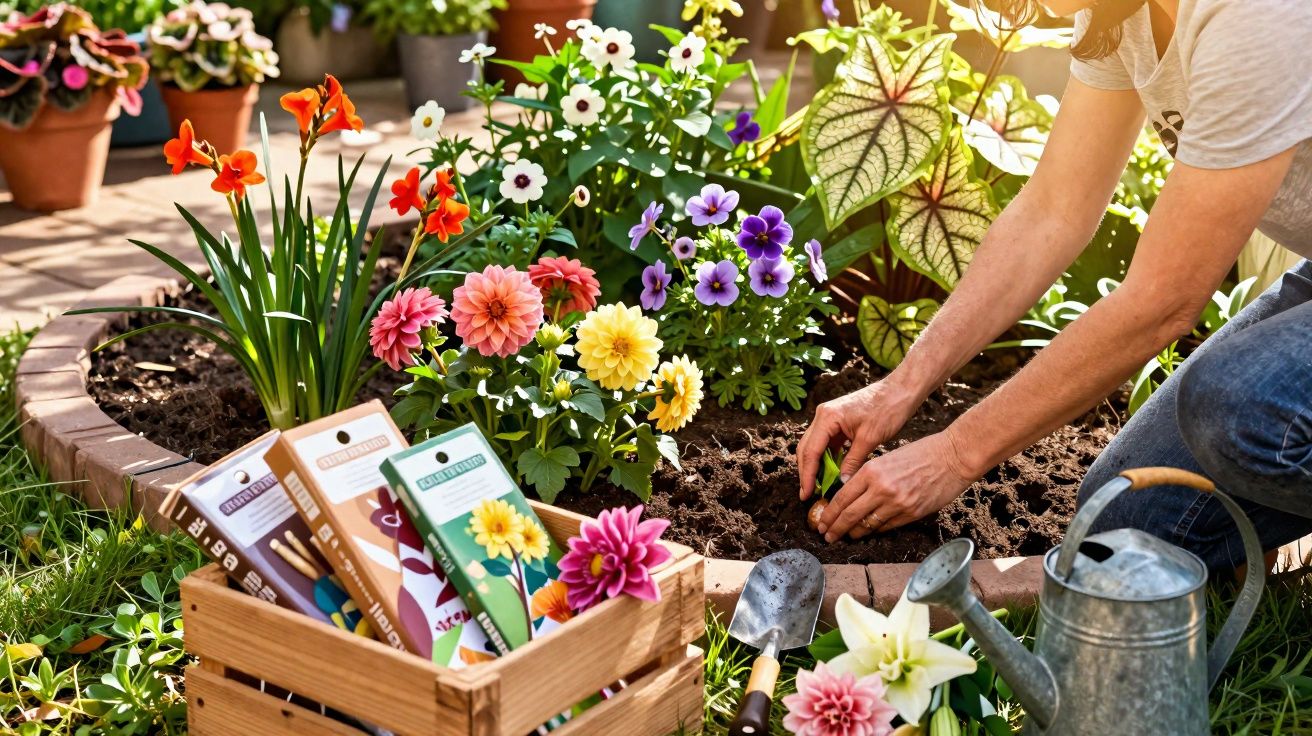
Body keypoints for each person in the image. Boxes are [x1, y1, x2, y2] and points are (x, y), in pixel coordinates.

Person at [796, 0, 1312, 570]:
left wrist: (953, 455)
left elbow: (1162, 302)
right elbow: (1053, 210)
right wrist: (897, 389)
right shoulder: (1119, 12)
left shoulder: (1258, 14)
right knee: (1132, 520)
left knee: (1238, 411)